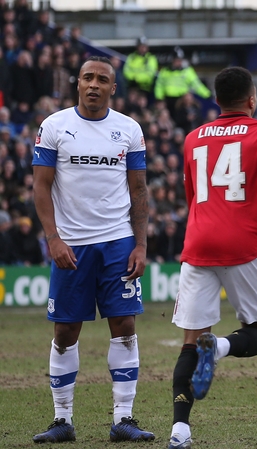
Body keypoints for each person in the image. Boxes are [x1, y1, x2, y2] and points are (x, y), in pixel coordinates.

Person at [31, 56, 153, 443]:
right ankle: (62, 420)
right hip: (72, 244)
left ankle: (124, 419)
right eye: (88, 78)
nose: (94, 84)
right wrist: (53, 238)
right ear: (78, 83)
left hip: (118, 241)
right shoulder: (54, 126)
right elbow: (40, 187)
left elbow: (139, 190)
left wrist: (141, 244)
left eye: (102, 79)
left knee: (125, 326)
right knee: (66, 330)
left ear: (113, 88)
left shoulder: (129, 129)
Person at [168, 66, 257, 449]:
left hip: (198, 244)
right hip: (241, 245)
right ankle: (220, 347)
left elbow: (190, 194)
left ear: (217, 100)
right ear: (252, 99)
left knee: (190, 341)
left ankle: (179, 430)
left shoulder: (192, 138)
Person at [154, 47, 211, 118]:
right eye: (177, 60)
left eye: (180, 60)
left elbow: (196, 85)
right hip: (168, 99)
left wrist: (207, 94)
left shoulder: (187, 71)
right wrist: (159, 98)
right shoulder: (165, 71)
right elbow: (159, 85)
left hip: (181, 100)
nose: (179, 62)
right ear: (172, 60)